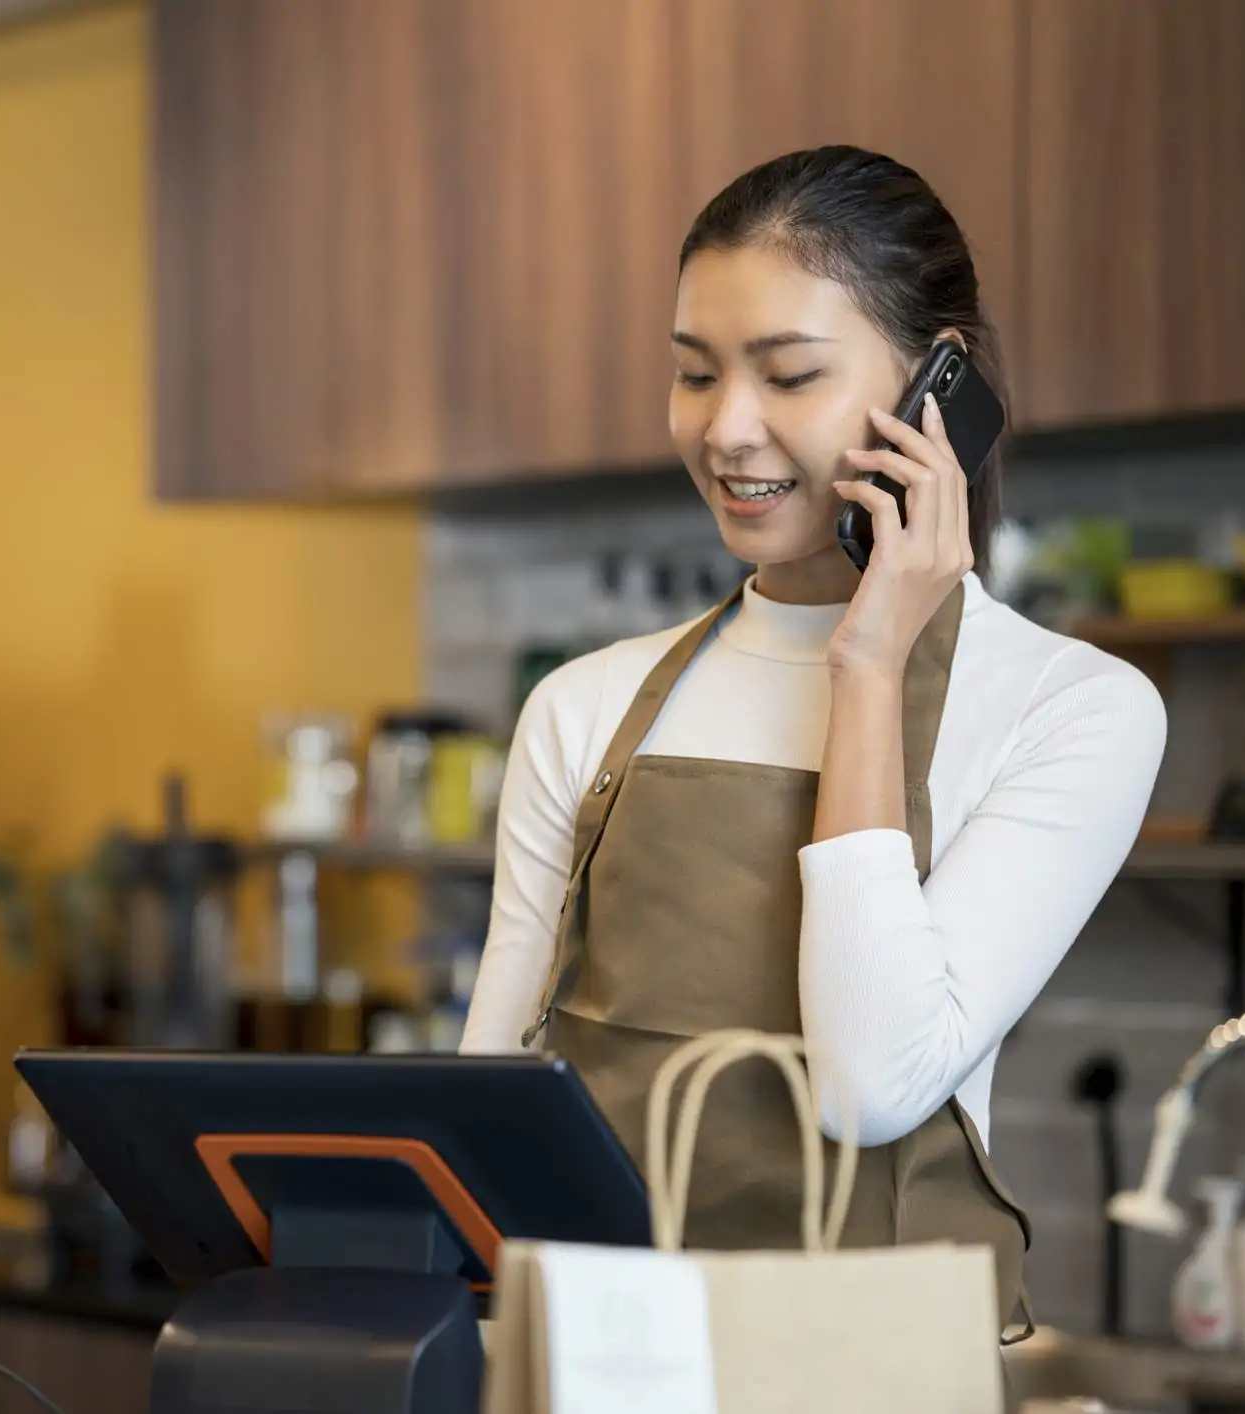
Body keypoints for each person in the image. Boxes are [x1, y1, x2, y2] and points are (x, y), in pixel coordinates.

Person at [459, 146, 1167, 1336]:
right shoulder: (581, 707)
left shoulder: (1074, 709)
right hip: (594, 1359)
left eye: (789, 375)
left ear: (938, 386)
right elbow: (489, 1114)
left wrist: (869, 662)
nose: (727, 430)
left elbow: (868, 1084)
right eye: (694, 374)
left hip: (873, 1370)